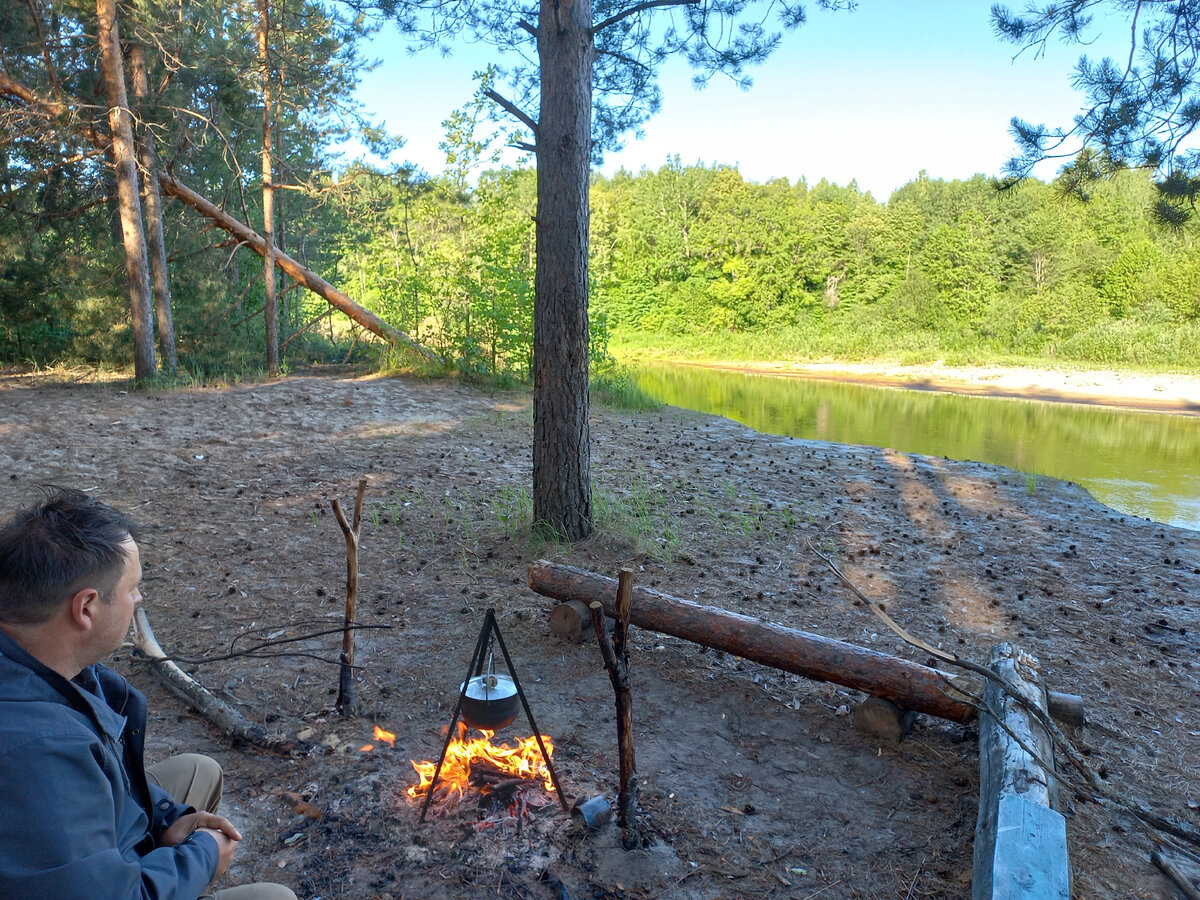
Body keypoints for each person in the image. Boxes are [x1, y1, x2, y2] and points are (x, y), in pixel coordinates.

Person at [0, 487, 297, 900]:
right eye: (132, 588)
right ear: (85, 608)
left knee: (198, 770)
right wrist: (204, 855)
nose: (138, 598)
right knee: (272, 897)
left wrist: (165, 820)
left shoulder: (46, 663)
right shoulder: (44, 750)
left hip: (70, 848)